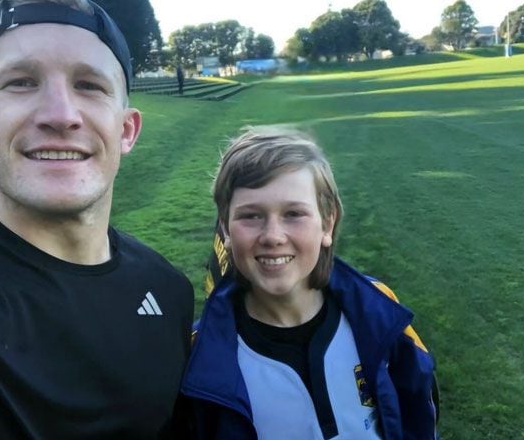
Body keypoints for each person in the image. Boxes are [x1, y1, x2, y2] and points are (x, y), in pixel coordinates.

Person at [0, 0, 193, 438]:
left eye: (89, 85)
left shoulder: (167, 292)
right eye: (21, 83)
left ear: (127, 131)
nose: (60, 114)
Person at [181, 126, 438, 439]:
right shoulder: (202, 352)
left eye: (293, 214)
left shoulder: (378, 309)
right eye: (251, 216)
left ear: (327, 223)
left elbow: (418, 413)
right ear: (225, 228)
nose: (273, 236)